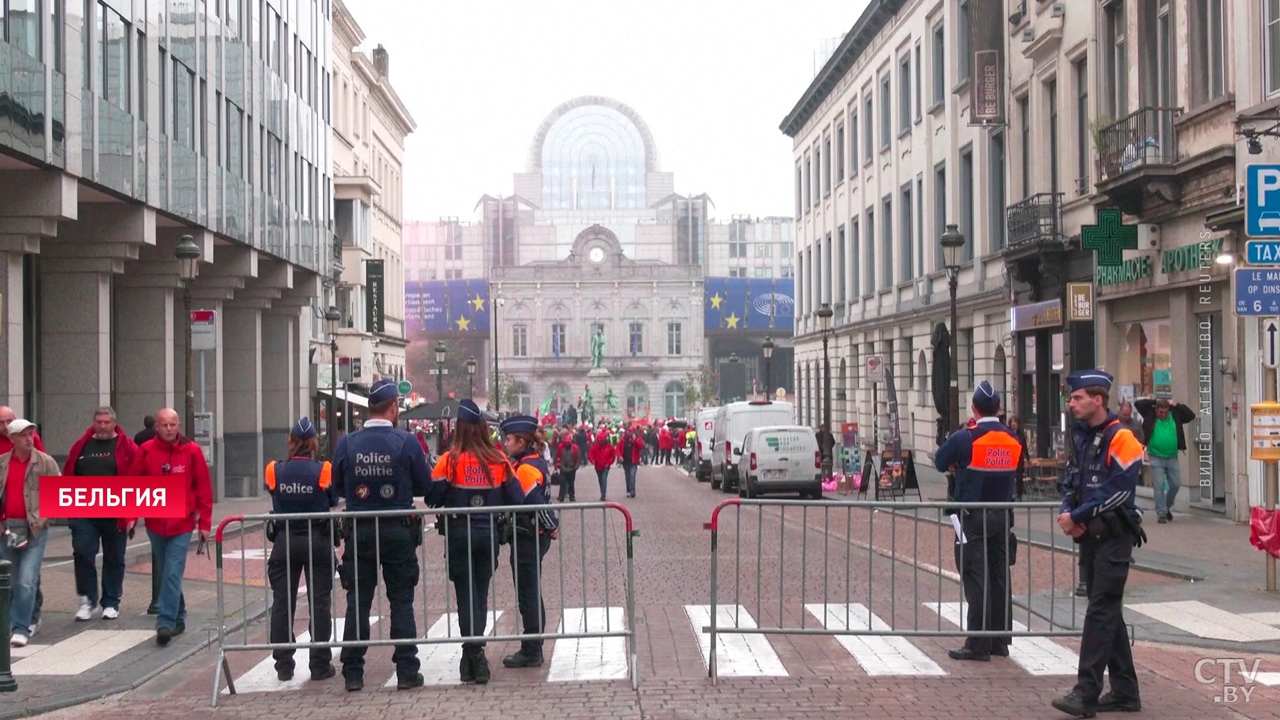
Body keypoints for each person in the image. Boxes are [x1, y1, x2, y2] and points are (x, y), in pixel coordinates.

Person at [1051, 370, 1145, 718]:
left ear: (1098, 400)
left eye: (1077, 398)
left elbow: (1120, 490)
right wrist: (1067, 511)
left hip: (1115, 535)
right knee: (1106, 609)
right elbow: (1070, 479)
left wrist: (1078, 514)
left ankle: (1086, 692)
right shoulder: (1080, 436)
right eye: (1071, 398)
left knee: (1101, 609)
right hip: (1091, 534)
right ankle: (1124, 691)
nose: (1071, 404)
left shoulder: (1122, 437)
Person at [333, 379, 430, 692]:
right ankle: (406, 670)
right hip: (397, 530)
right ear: (393, 407)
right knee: (401, 601)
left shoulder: (348, 443)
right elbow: (426, 486)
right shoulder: (406, 441)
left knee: (357, 602)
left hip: (359, 531)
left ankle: (352, 673)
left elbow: (335, 488)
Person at [427, 400, 532, 683]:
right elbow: (518, 498)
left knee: (465, 597)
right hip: (487, 535)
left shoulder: (450, 460)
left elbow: (432, 497)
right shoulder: (499, 460)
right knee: (480, 596)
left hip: (459, 534)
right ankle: (475, 656)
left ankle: (472, 656)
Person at [934, 381, 1021, 662]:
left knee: (976, 576)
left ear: (974, 408)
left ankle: (977, 643)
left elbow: (939, 461)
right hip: (1002, 517)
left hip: (972, 518)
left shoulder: (965, 437)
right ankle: (999, 641)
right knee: (999, 577)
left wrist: (957, 465)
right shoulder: (1012, 438)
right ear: (999, 408)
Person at [128, 408, 214, 646]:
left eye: (173, 424)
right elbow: (134, 485)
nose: (169, 429)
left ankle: (165, 622)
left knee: (172, 572)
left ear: (178, 426)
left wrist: (204, 522)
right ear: (156, 427)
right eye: (164, 425)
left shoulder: (192, 452)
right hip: (155, 523)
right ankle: (179, 614)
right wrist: (131, 517)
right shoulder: (145, 452)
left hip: (182, 524)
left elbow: (204, 490)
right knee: (168, 572)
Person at [265, 418, 339, 683]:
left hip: (285, 539)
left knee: (283, 603)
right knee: (320, 603)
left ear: (290, 441)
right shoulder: (324, 469)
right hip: (317, 539)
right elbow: (332, 499)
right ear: (313, 443)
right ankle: (319, 664)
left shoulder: (274, 469)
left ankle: (283, 665)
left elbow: (273, 494)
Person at [65, 407, 139, 621]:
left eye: (107, 422)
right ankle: (87, 599)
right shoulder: (81, 446)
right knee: (82, 551)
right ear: (94, 423)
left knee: (114, 557)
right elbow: (70, 473)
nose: (103, 426)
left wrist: (132, 514)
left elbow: (135, 479)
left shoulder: (127, 447)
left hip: (116, 511)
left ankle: (111, 601)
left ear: (114, 423)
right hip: (83, 511)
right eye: (99, 422)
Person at [499, 417, 559, 669]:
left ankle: (532, 648)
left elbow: (537, 503)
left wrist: (552, 525)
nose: (505, 443)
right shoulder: (533, 462)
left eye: (509, 440)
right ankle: (533, 645)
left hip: (528, 536)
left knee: (528, 593)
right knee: (530, 590)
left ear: (521, 442)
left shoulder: (525, 468)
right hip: (533, 536)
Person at [0, 419, 59, 647]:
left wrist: (45, 521)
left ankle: (21, 627)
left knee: (26, 580)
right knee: (11, 580)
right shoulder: (3, 463)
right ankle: (13, 623)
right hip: (8, 529)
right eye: (23, 435)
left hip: (34, 529)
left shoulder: (45, 463)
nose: (29, 438)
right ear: (12, 438)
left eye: (31, 434)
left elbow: (57, 496)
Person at [1133, 397, 1194, 524]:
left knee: (1176, 484)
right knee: (1159, 485)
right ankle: (1161, 513)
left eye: (1165, 412)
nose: (1163, 415)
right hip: (1156, 456)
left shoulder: (1175, 415)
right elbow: (1138, 404)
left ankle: (1165, 507)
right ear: (1156, 410)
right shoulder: (1150, 415)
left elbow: (1190, 415)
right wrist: (1155, 401)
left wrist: (1176, 404)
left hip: (1172, 456)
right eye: (1160, 412)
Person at [589, 430, 617, 501]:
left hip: (605, 466)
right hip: (598, 466)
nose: (601, 442)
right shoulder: (595, 446)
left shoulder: (609, 446)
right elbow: (591, 454)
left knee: (603, 479)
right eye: (600, 440)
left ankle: (603, 494)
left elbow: (612, 455)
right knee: (600, 479)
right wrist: (592, 460)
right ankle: (602, 491)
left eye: (603, 440)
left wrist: (609, 463)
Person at [555, 430, 581, 502]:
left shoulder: (575, 448)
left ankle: (571, 496)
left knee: (571, 483)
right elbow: (557, 456)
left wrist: (575, 467)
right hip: (563, 467)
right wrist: (557, 465)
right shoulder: (560, 447)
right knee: (562, 483)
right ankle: (561, 496)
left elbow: (578, 458)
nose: (567, 444)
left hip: (571, 468)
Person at [618, 426, 643, 499]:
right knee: (627, 476)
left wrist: (635, 440)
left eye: (631, 431)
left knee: (632, 476)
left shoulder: (637, 439)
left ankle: (632, 490)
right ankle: (628, 490)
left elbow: (640, 447)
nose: (630, 433)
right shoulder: (623, 439)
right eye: (629, 431)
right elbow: (618, 449)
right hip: (626, 461)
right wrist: (620, 456)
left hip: (634, 461)